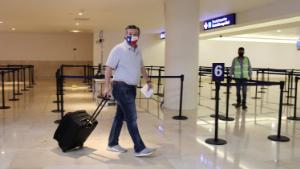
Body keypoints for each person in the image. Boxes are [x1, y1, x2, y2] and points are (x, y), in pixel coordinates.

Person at [103, 25, 156, 157]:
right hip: (121, 87)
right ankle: (139, 148)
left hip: (131, 88)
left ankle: (112, 143)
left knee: (119, 117)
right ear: (125, 35)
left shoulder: (138, 50)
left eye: (135, 34)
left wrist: (148, 81)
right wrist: (106, 86)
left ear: (139, 36)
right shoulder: (118, 49)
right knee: (132, 118)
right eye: (129, 33)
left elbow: (142, 67)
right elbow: (108, 68)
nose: (132, 36)